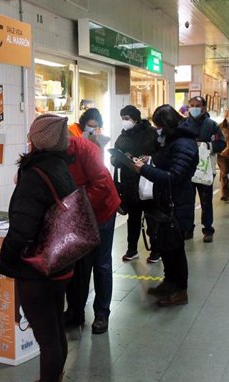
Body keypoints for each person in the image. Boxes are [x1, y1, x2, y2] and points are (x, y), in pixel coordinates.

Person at [0, 114, 75, 382]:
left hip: (38, 267)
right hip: (60, 264)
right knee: (55, 329)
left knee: (47, 336)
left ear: (36, 139)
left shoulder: (36, 173)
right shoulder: (60, 167)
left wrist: (7, 262)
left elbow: (22, 228)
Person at [133, 105, 198, 306]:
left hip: (177, 203)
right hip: (166, 202)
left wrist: (144, 170)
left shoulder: (184, 144)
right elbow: (166, 164)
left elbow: (174, 177)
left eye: (159, 126)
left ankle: (180, 290)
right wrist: (150, 161)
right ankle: (170, 282)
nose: (157, 130)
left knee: (176, 249)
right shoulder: (172, 140)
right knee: (167, 247)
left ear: (167, 124)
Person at [63, 134, 120, 334]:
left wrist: (79, 210)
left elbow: (102, 185)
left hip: (101, 210)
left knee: (101, 263)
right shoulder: (44, 150)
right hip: (76, 212)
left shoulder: (86, 149)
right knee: (77, 264)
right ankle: (75, 312)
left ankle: (101, 314)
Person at [113, 105, 160, 263]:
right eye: (123, 118)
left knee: (152, 217)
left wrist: (149, 158)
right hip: (129, 183)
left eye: (127, 118)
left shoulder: (151, 133)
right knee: (133, 218)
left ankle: (155, 250)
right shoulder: (122, 137)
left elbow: (160, 153)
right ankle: (131, 249)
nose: (124, 122)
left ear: (136, 118)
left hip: (148, 180)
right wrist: (120, 158)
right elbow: (114, 158)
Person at [181, 96, 226, 243]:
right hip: (187, 169)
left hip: (206, 170)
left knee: (206, 201)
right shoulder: (183, 125)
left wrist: (207, 146)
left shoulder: (212, 125)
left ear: (204, 108)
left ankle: (208, 229)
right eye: (192, 105)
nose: (194, 108)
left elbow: (221, 143)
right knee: (187, 201)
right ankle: (187, 228)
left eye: (197, 105)